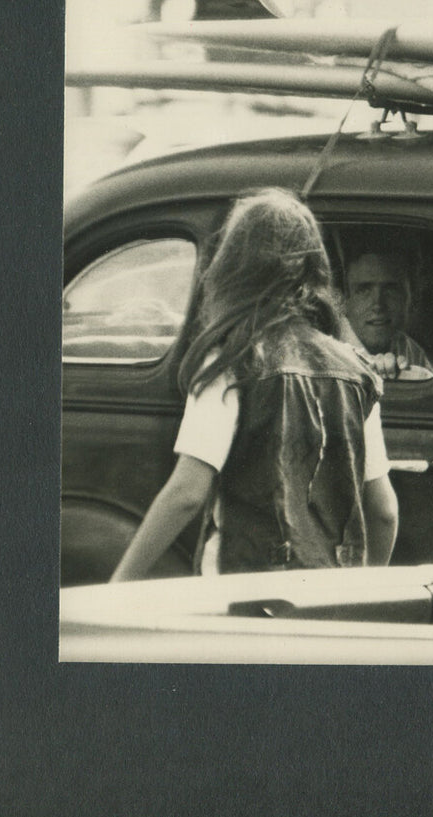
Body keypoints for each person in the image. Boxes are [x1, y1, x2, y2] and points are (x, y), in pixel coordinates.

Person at [110, 188, 398, 580]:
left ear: (234, 269)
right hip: (329, 601)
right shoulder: (357, 371)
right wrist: (359, 589)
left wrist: (120, 583)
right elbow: (383, 513)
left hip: (242, 597)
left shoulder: (231, 360)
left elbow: (187, 493)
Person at [342, 248, 433, 381]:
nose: (378, 305)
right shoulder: (327, 354)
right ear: (344, 300)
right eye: (364, 290)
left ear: (412, 298)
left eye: (391, 289)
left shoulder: (414, 353)